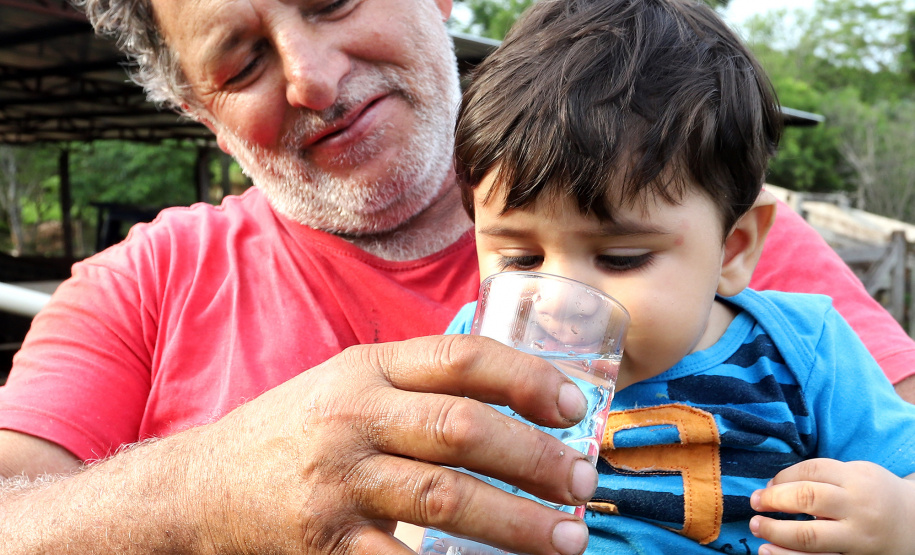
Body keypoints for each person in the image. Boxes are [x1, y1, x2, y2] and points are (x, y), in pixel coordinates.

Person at [0, 0, 912, 552]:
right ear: (202, 110)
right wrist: (207, 489)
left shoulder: (701, 212)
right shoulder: (139, 284)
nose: (313, 77)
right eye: (240, 59)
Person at [445, 0, 915, 553]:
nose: (557, 301)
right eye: (520, 260)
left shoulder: (803, 353)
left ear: (733, 248)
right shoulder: (474, 351)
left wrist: (897, 524)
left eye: (621, 259)